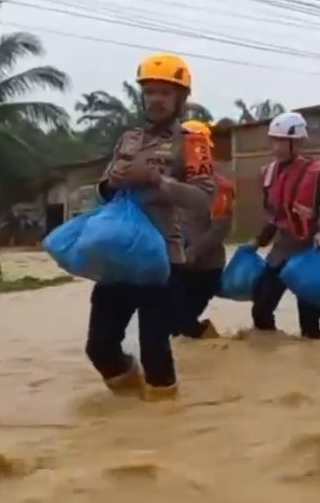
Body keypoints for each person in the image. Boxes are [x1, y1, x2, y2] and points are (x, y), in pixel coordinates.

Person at [86, 53, 215, 402]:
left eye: (164, 93)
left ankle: (161, 428)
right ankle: (129, 409)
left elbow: (203, 200)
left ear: (180, 99)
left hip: (161, 257)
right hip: (118, 255)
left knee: (155, 351)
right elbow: (101, 190)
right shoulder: (128, 138)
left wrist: (159, 183)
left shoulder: (191, 142)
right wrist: (111, 182)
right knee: (99, 346)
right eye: (150, 92)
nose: (156, 99)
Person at [252, 112, 320, 339]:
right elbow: (272, 216)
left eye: (282, 141)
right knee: (260, 310)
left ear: (297, 143)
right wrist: (258, 242)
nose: (277, 146)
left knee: (309, 325)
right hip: (280, 251)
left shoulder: (317, 174)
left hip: (307, 253)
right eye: (274, 140)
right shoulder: (268, 174)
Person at [175, 119, 235, 339]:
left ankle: (214, 349)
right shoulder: (171, 184)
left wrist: (192, 253)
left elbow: (220, 229)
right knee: (172, 325)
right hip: (179, 266)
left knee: (184, 323)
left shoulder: (220, 187)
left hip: (204, 269)